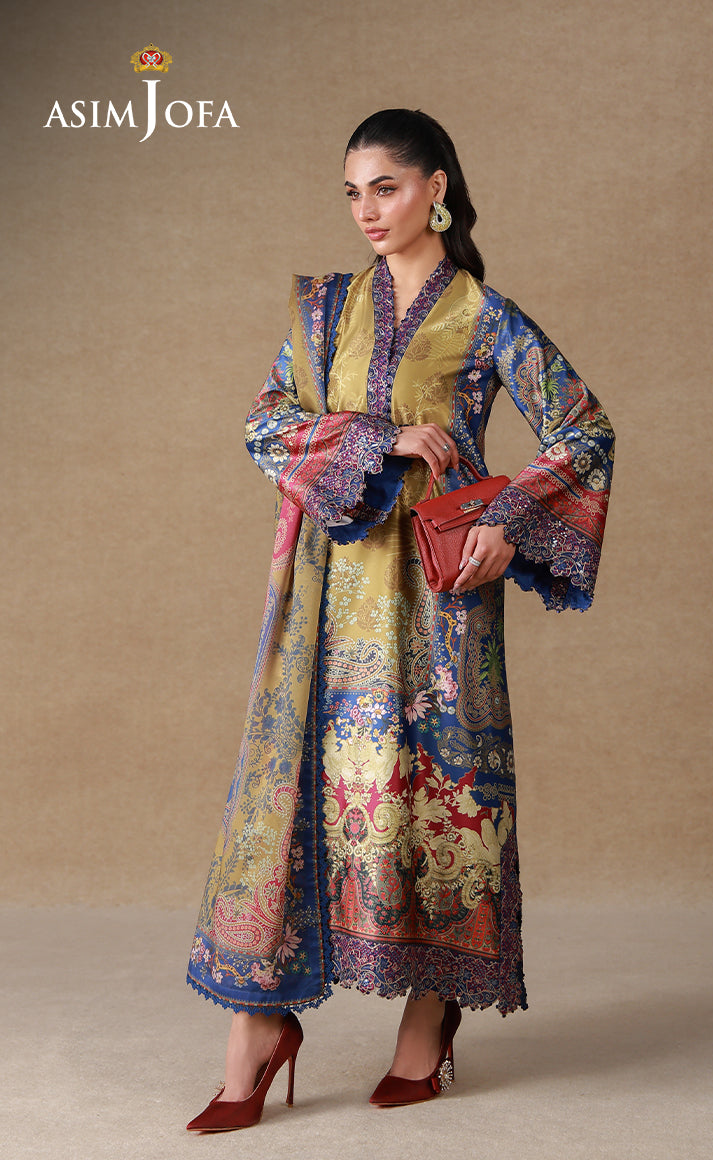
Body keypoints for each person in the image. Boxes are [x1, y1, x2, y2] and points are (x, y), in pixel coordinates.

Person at [186, 108, 614, 1131]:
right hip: (323, 601)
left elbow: (583, 429)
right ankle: (257, 1026)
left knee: (437, 792)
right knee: (289, 791)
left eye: (385, 187)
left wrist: (507, 522)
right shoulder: (324, 311)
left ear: (435, 189)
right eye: (353, 192)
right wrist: (380, 437)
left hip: (437, 603)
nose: (367, 210)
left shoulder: (485, 316)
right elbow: (265, 422)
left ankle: (431, 1011)